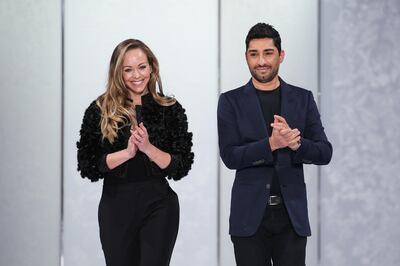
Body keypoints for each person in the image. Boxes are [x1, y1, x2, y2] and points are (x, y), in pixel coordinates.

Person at [217, 23, 332, 266]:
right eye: (254, 54)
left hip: (292, 218)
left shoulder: (303, 98)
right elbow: (229, 156)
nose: (261, 61)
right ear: (246, 57)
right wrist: (270, 144)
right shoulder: (230, 101)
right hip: (249, 219)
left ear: (281, 55)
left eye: (268, 53)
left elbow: (324, 152)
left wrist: (296, 144)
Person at [77, 39, 194, 266]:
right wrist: (128, 153)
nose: (136, 75)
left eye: (141, 67)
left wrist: (148, 148)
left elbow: (181, 166)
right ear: (117, 73)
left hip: (159, 206)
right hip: (116, 208)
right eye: (127, 69)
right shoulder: (100, 109)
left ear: (152, 67)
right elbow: (88, 165)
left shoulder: (169, 109)